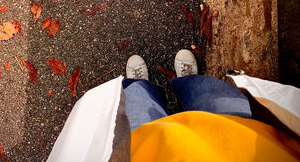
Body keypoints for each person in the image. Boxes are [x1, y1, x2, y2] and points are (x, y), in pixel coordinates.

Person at [123, 50, 300, 161]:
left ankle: (141, 86)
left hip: (145, 153)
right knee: (208, 93)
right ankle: (187, 80)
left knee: (136, 102)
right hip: (239, 140)